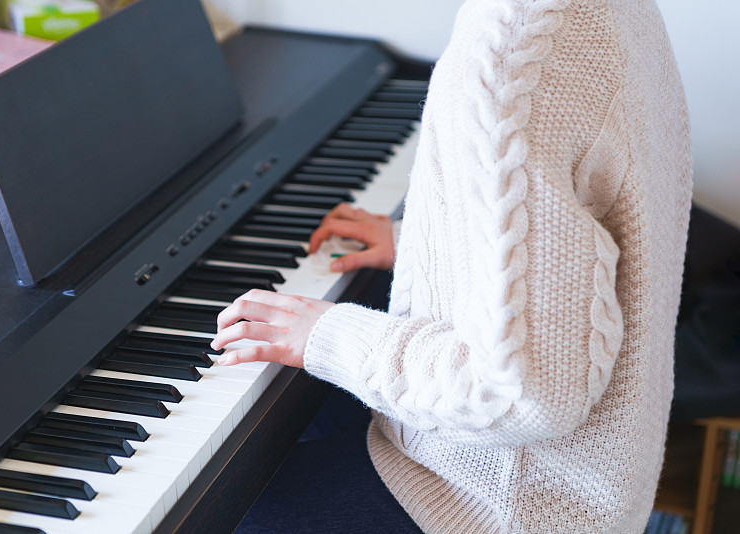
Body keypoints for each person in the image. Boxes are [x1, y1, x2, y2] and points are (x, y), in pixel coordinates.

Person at [210, 0, 693, 531]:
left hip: (509, 501)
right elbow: (577, 222)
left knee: (211, 504)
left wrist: (327, 335)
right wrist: (431, 244)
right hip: (586, 476)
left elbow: (521, 394)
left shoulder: (508, 51)